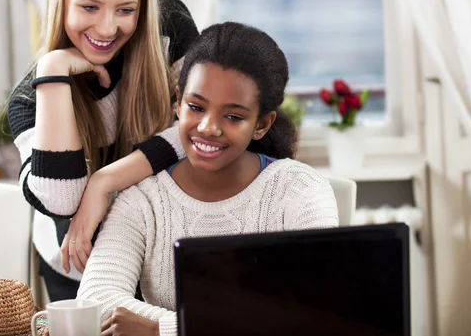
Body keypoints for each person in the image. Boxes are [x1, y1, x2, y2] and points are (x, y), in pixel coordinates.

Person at [77, 22, 340, 336]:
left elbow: (315, 308)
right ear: (178, 102)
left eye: (233, 116)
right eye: (196, 107)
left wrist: (161, 329)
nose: (208, 127)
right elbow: (98, 298)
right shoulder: (143, 198)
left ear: (262, 124)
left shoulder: (300, 191)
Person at [7, 0, 198, 302]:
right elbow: (61, 200)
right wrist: (54, 68)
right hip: (78, 263)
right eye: (89, 7)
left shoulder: (168, 27)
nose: (108, 28)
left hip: (157, 254)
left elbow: (200, 128)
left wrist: (103, 182)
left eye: (125, 10)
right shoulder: (30, 99)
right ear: (61, 1)